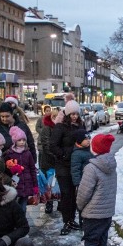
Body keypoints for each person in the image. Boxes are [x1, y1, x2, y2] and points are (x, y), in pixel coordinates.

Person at [76, 133, 117, 246]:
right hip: (107, 212)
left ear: (95, 148)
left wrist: (79, 206)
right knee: (101, 240)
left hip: (93, 213)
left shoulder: (91, 168)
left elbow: (84, 192)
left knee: (90, 241)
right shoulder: (111, 165)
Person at [49, 100, 87, 234]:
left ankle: (72, 219)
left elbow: (85, 139)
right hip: (63, 166)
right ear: (67, 114)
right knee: (66, 194)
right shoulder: (60, 127)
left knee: (74, 195)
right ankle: (67, 221)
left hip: (77, 165)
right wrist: (64, 155)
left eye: (76, 114)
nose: (74, 117)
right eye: (72, 114)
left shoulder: (80, 125)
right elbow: (52, 145)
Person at [3, 126, 38, 211]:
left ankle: (22, 221)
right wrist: (12, 169)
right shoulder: (9, 153)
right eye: (19, 140)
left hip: (27, 182)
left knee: (23, 205)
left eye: (23, 140)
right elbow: (5, 168)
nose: (22, 142)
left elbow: (32, 169)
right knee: (14, 205)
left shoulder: (28, 153)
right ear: (15, 141)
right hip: (15, 183)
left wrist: (35, 185)